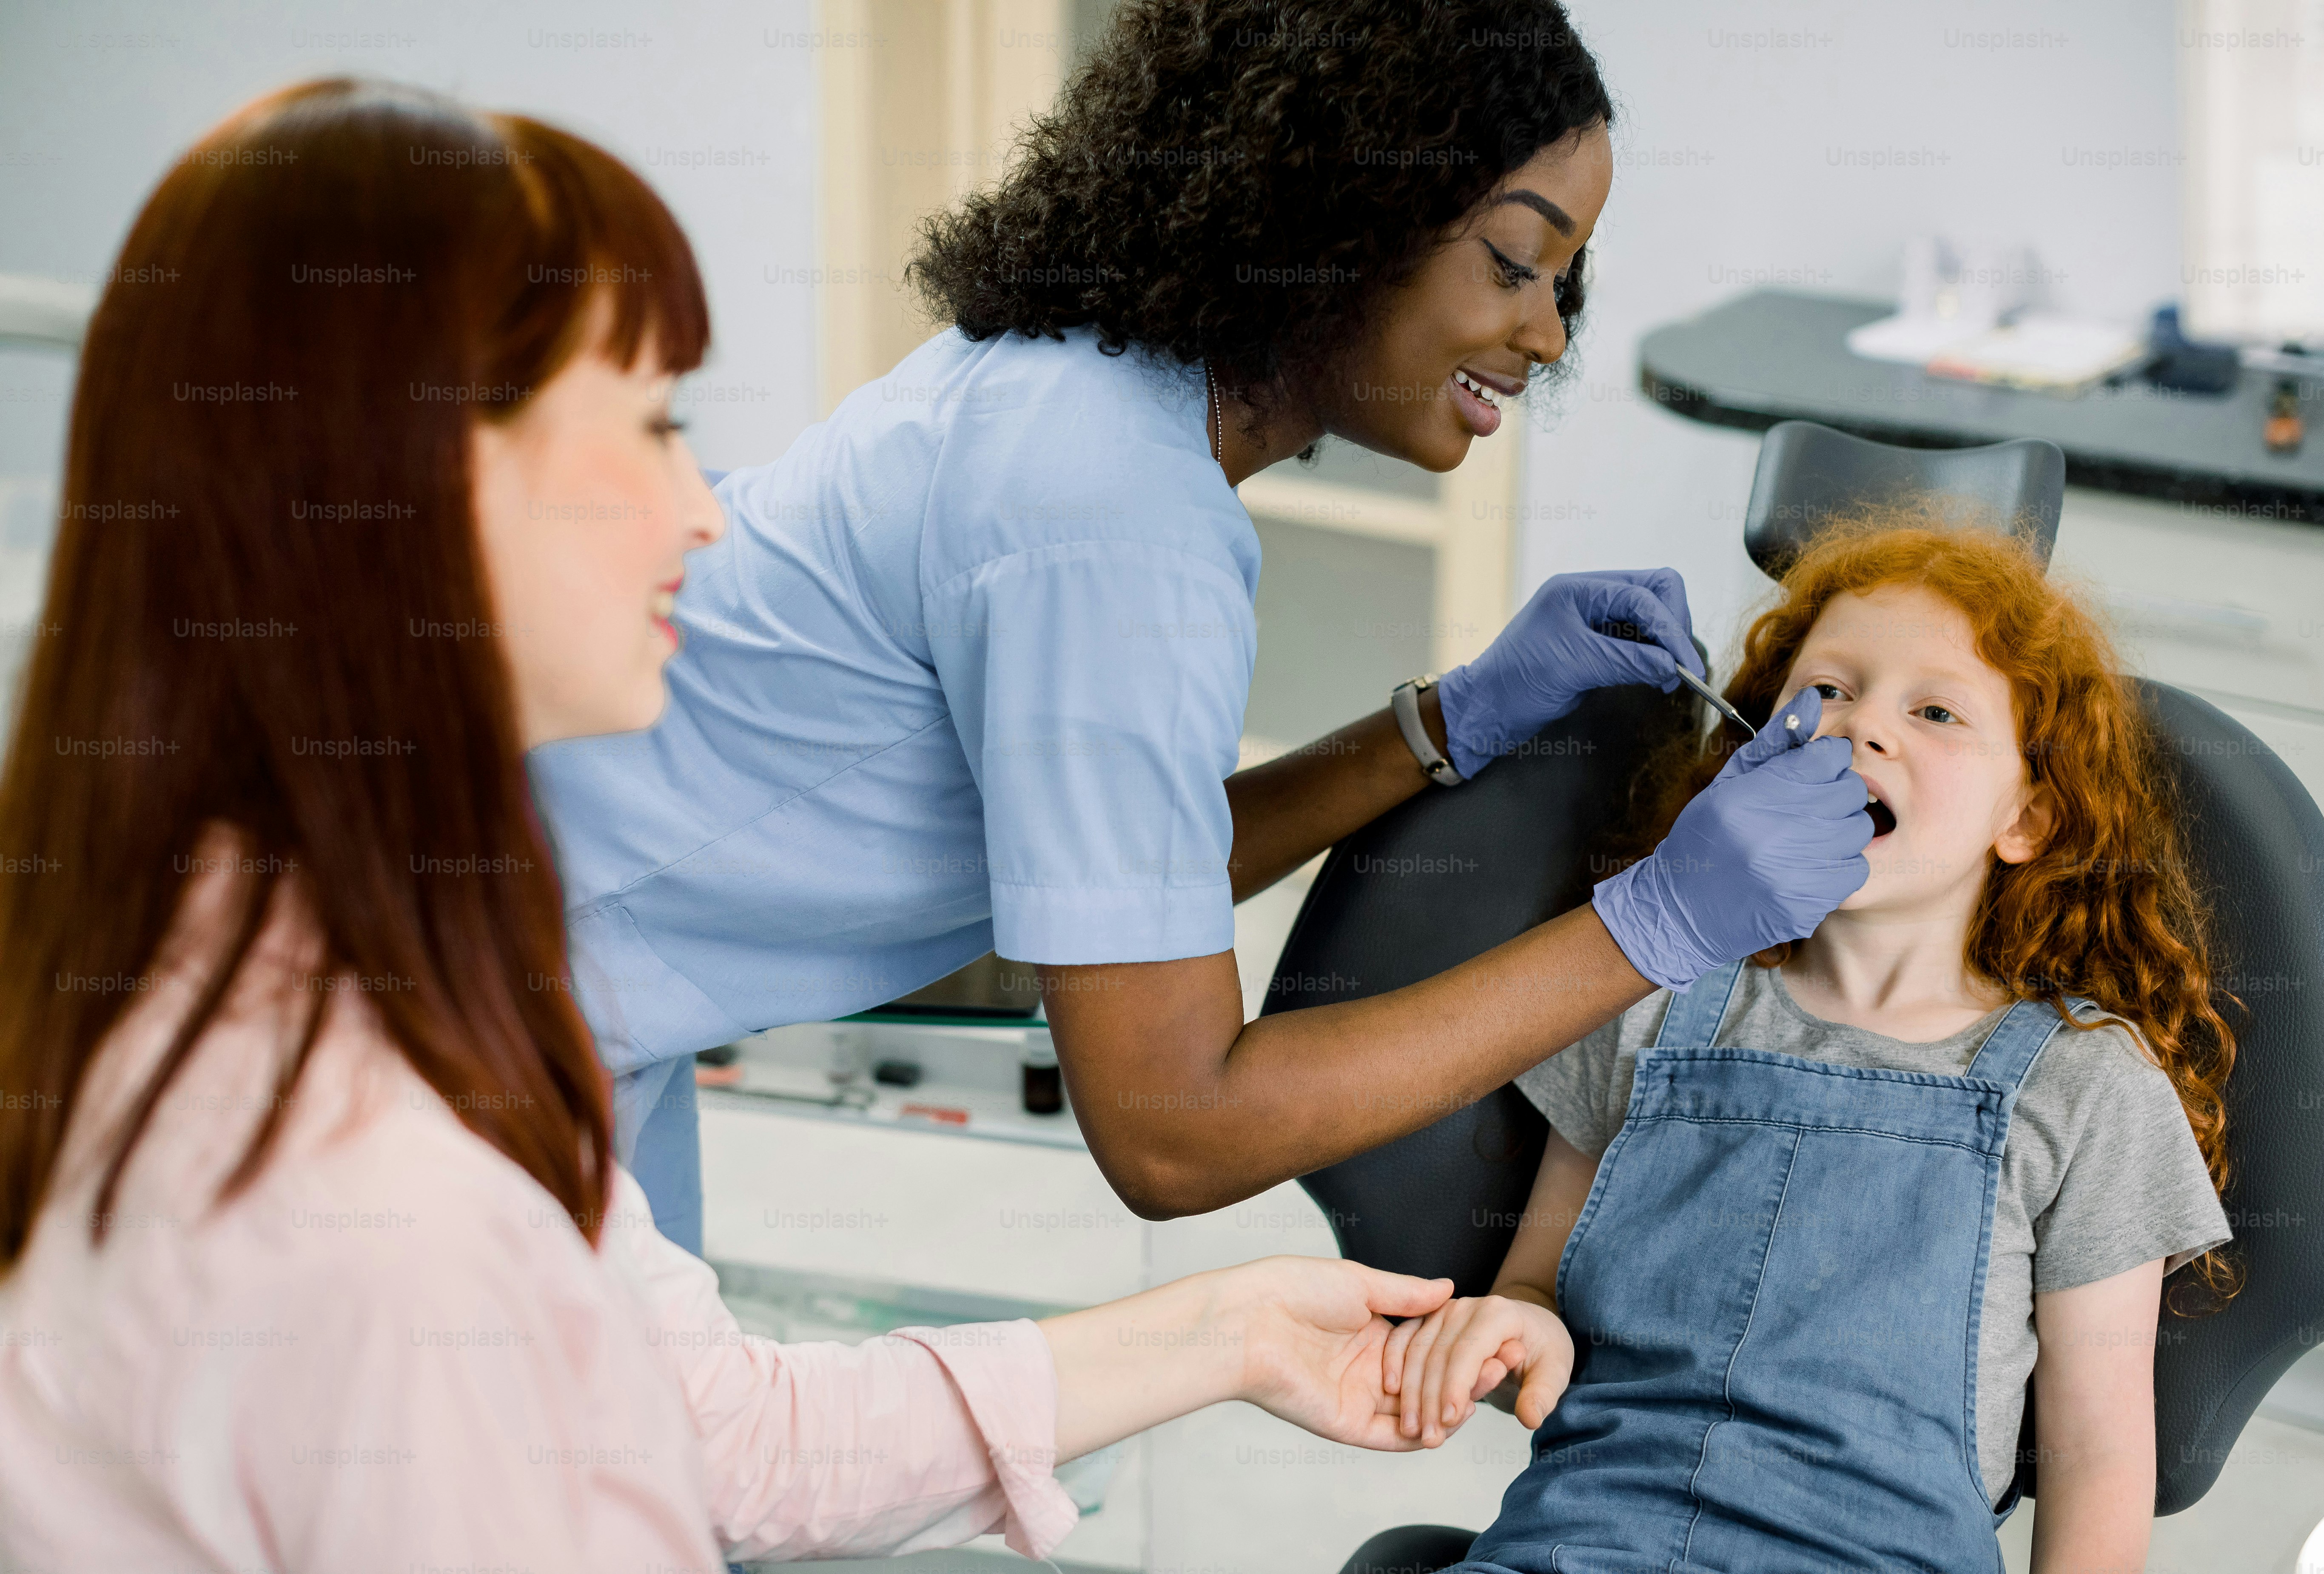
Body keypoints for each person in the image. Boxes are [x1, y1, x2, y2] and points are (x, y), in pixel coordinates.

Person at [0, 80, 1501, 1571]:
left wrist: (1231, 1327)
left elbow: (723, 1443)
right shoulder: (395, 1201)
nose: (707, 511)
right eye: (651, 426)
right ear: (413, 479)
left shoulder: (266, 967)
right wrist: (1615, 931)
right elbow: (1168, 1105)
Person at [526, 0, 1876, 1250]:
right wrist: (1650, 928)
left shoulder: (1078, 390)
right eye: (1515, 263)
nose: (1545, 335)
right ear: (1343, 208)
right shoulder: (1113, 518)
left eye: (1561, 284)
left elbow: (1122, 879)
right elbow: (1172, 1131)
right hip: (492, 1015)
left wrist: (1441, 722)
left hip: (559, 992)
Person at [1360, 524, 2239, 1574]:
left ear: (2029, 820)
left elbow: (2098, 1463)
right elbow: (1532, 1293)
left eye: (1935, 711)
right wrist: (1518, 1333)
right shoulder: (1643, 995)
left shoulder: (2089, 1087)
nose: (1861, 726)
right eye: (1828, 690)